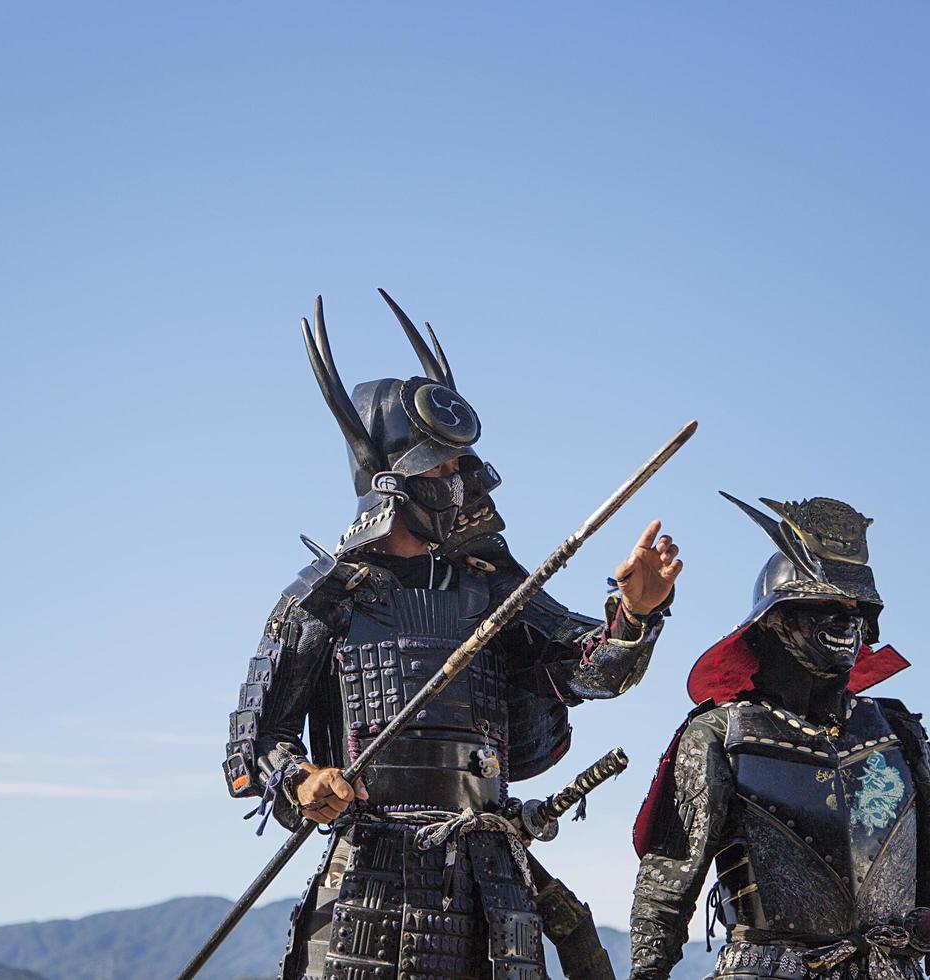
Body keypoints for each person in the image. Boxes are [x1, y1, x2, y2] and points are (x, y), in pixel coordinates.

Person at [225, 290, 683, 980]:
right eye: (439, 468)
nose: (458, 482)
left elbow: (596, 672)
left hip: (491, 882)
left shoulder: (495, 588)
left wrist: (637, 615)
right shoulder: (324, 597)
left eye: (458, 467)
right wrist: (303, 780)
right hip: (370, 877)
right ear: (390, 481)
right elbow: (256, 743)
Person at [628, 493, 930, 980]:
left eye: (856, 610)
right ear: (775, 620)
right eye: (822, 607)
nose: (846, 622)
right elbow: (666, 886)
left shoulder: (900, 733)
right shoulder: (719, 734)